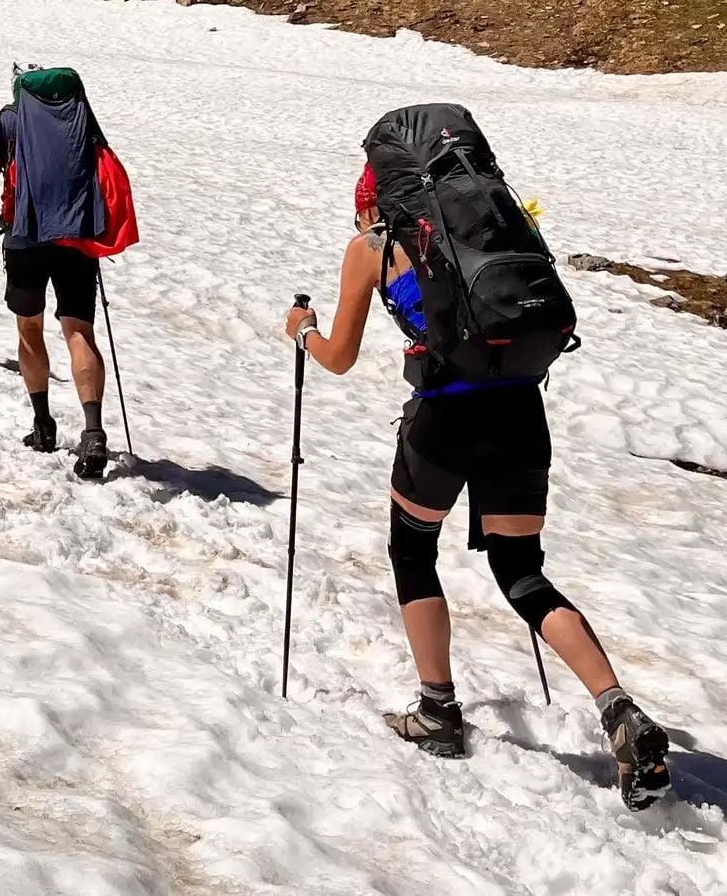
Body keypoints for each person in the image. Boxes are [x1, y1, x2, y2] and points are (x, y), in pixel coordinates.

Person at [281, 161, 671, 809]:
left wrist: (302, 330)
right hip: (520, 415)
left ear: (372, 204)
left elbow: (340, 357)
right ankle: (617, 708)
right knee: (522, 573)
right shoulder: (490, 225)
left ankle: (438, 710)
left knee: (412, 551)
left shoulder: (372, 246)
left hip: (443, 422)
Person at [0, 97, 109, 481]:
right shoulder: (79, 116)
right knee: (79, 331)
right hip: (77, 237)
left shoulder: (6, 120)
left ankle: (43, 424)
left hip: (24, 238)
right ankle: (94, 431)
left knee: (30, 327)